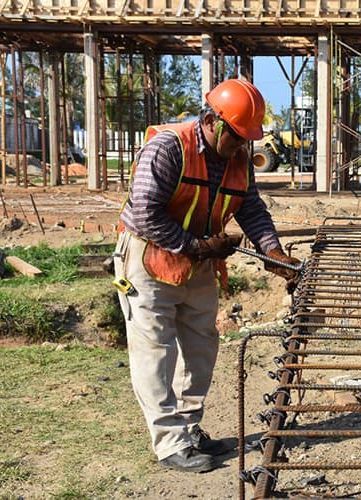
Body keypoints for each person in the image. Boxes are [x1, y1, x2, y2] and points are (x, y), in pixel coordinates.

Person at [113, 79, 300, 472]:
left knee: (201, 349)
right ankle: (169, 444)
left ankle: (188, 428)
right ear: (213, 121)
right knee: (155, 353)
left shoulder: (238, 159)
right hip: (149, 259)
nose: (241, 146)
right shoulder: (168, 148)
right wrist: (197, 246)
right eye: (236, 136)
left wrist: (273, 251)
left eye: (247, 139)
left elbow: (250, 208)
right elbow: (145, 212)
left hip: (198, 258)